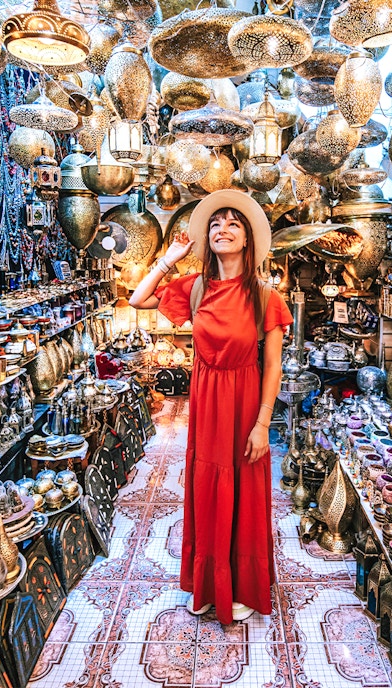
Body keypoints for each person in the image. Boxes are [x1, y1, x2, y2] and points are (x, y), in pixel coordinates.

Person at [129, 189, 292, 624]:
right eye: (216, 223)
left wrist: (263, 424)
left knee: (244, 492)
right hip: (207, 405)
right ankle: (207, 584)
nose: (223, 229)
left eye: (233, 223)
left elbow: (273, 367)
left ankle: (240, 587)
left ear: (247, 239)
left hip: (246, 405)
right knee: (207, 488)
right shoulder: (195, 287)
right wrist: (170, 258)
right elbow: (138, 299)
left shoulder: (265, 297)